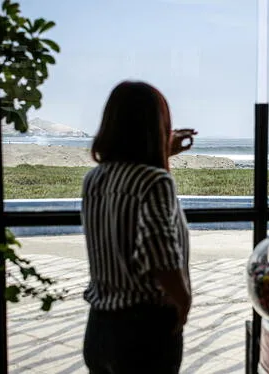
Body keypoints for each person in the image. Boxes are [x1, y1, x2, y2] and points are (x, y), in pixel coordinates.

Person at [81, 81, 197, 373]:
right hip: (144, 332)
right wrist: (183, 302)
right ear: (155, 127)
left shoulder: (94, 179)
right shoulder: (155, 181)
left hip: (100, 327)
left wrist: (161, 155)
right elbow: (160, 255)